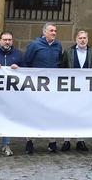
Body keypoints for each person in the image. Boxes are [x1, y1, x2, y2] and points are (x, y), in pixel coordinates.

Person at [23, 22, 63, 154]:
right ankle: (30, 141)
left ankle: (52, 142)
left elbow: (60, 63)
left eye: (55, 31)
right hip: (37, 85)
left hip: (52, 86)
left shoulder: (58, 46)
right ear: (44, 32)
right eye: (51, 30)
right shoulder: (35, 45)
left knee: (52, 112)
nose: (54, 33)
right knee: (33, 112)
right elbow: (27, 62)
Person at [60, 30, 92, 152]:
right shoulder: (68, 52)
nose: (82, 40)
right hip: (70, 88)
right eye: (80, 38)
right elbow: (62, 68)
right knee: (68, 113)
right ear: (76, 39)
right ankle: (67, 140)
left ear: (87, 39)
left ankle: (81, 140)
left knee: (83, 114)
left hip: (86, 89)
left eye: (84, 38)